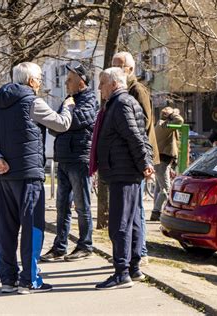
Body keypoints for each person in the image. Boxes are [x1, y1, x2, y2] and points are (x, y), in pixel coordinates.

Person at [0, 62, 72, 295]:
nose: (41, 83)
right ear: (31, 81)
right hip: (29, 176)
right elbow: (61, 124)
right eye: (40, 78)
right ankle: (29, 280)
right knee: (32, 227)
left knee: (7, 229)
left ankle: (8, 280)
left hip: (4, 177)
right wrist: (68, 107)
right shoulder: (32, 101)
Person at [93, 67, 153, 290]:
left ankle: (121, 273)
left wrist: (144, 163)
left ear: (113, 83)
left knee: (120, 224)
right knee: (131, 222)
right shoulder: (119, 103)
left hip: (123, 172)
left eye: (102, 83)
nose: (99, 88)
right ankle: (133, 268)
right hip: (123, 171)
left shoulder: (121, 104)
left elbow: (135, 137)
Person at [40, 63, 97, 262]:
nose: (66, 82)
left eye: (70, 79)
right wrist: (64, 118)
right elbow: (55, 126)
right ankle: (60, 246)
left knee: (82, 205)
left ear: (81, 81)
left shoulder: (89, 99)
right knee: (62, 205)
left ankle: (85, 245)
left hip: (79, 158)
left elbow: (74, 121)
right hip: (63, 158)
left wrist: (66, 117)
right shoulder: (68, 100)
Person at [112, 51, 159, 265]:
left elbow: (145, 123)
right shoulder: (119, 91)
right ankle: (133, 252)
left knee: (137, 206)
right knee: (131, 207)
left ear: (129, 69)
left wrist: (142, 157)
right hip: (131, 157)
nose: (115, 69)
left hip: (139, 158)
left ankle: (141, 252)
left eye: (119, 66)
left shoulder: (136, 90)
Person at [151, 106, 184, 221]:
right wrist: (174, 113)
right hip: (162, 161)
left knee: (159, 188)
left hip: (161, 160)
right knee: (166, 189)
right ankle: (156, 212)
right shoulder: (164, 125)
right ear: (168, 117)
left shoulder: (161, 125)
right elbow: (180, 120)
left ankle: (156, 211)